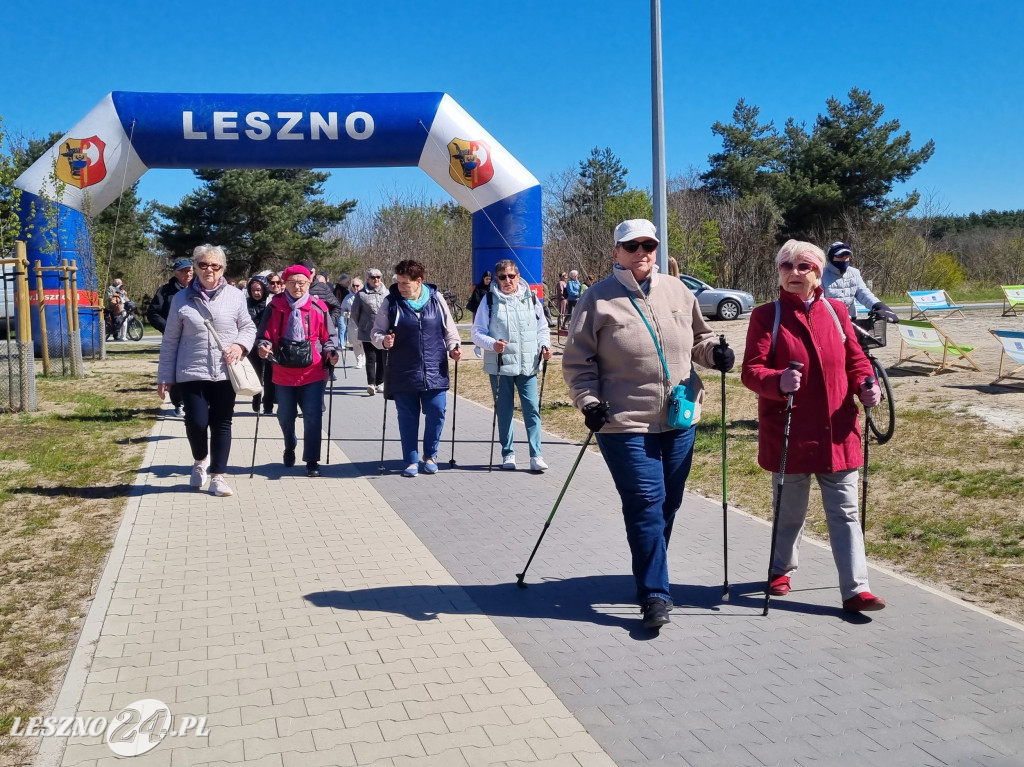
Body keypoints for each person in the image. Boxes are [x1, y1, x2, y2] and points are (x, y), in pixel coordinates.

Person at [562, 219, 735, 630]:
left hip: (680, 418)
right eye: (632, 245)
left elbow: (699, 339)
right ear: (616, 252)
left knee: (667, 504)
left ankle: (649, 566)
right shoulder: (596, 299)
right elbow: (577, 363)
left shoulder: (678, 290)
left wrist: (716, 354)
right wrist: (588, 402)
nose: (642, 252)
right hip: (623, 423)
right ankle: (655, 592)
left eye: (649, 245)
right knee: (645, 504)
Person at [741, 239, 886, 613]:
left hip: (838, 432)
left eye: (803, 266)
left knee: (846, 512)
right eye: (786, 266)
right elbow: (752, 371)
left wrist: (868, 387)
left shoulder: (837, 312)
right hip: (789, 431)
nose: (794, 273)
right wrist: (776, 382)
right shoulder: (766, 315)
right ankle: (780, 570)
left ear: (818, 272)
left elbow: (857, 361)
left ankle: (856, 589)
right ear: (778, 272)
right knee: (790, 511)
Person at [156, 244, 256, 498]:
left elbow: (248, 327)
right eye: (203, 265)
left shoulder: (235, 296)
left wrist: (239, 345)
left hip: (225, 371)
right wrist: (164, 377)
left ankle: (218, 477)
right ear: (195, 267)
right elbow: (170, 341)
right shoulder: (181, 299)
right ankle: (200, 460)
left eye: (215, 265)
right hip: (191, 371)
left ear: (222, 268)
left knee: (222, 423)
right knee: (197, 422)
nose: (209, 269)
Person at [372, 259, 462, 477]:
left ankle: (430, 455)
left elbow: (450, 331)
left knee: (437, 412)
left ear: (419, 281)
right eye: (399, 282)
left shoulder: (436, 299)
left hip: (435, 370)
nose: (401, 287)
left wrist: (454, 348)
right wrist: (383, 341)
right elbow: (375, 333)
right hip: (403, 371)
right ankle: (411, 461)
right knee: (407, 417)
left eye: (405, 283)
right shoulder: (391, 302)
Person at [257, 264, 338, 478]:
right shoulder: (274, 307)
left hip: (313, 371)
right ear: (285, 284)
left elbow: (329, 336)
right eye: (292, 282)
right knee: (285, 415)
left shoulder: (319, 307)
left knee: (312, 416)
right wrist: (263, 345)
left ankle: (311, 460)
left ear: (309, 283)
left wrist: (331, 351)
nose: (297, 287)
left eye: (301, 283)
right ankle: (289, 443)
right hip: (283, 371)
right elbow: (263, 334)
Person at [471, 259, 552, 472]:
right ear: (496, 279)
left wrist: (545, 345)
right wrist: (492, 344)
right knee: (504, 411)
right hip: (501, 364)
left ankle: (536, 455)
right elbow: (476, 333)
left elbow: (542, 328)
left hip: (528, 364)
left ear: (518, 277)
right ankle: (508, 454)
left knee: (532, 410)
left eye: (511, 276)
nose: (508, 280)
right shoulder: (489, 300)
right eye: (502, 277)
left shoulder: (531, 297)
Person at [148, 258, 194, 417]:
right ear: (175, 273)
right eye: (183, 271)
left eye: (189, 270)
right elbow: (153, 313)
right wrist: (168, 328)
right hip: (174, 338)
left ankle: (196, 402)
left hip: (194, 338)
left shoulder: (198, 288)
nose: (187, 274)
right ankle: (178, 403)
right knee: (176, 371)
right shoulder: (165, 291)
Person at [821, 242, 899, 323]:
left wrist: (879, 306)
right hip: (829, 322)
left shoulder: (854, 273)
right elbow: (820, 301)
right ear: (831, 257)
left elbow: (863, 293)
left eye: (847, 255)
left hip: (851, 320)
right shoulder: (821, 274)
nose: (844, 258)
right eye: (840, 255)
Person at [350, 268, 388, 395]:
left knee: (382, 358)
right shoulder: (361, 294)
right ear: (368, 279)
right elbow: (355, 313)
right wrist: (362, 324)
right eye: (373, 277)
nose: (376, 279)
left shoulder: (386, 293)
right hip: (367, 331)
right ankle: (371, 383)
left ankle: (380, 382)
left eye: (378, 277)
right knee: (370, 358)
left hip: (383, 332)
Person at [245, 276, 276, 414]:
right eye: (253, 290)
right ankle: (256, 398)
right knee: (255, 374)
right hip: (251, 345)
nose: (256, 293)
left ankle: (268, 404)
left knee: (269, 375)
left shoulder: (271, 304)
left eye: (259, 290)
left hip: (268, 343)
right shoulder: (244, 303)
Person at [297, 259, 343, 330]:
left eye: (310, 272)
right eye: (304, 272)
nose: (308, 275)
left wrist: (328, 325)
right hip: (297, 332)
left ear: (314, 272)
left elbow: (337, 307)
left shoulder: (323, 288)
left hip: (318, 333)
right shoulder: (292, 288)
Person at [339, 276, 365, 369]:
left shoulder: (365, 295)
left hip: (364, 324)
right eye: (353, 286)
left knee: (363, 343)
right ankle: (359, 361)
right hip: (352, 325)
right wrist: (347, 314)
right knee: (355, 343)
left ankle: (363, 358)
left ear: (362, 285)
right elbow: (342, 311)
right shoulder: (347, 298)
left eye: (357, 285)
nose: (355, 288)